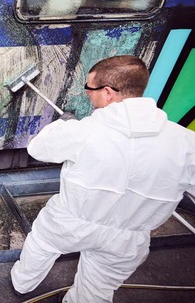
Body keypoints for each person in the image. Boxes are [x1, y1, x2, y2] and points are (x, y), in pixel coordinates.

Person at [10, 55, 195, 302]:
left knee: (41, 246)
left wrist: (62, 125)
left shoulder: (83, 131)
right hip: (128, 238)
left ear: (108, 93)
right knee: (97, 290)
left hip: (69, 224)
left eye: (90, 89)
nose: (88, 95)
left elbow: (37, 149)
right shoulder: (185, 143)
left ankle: (21, 285)